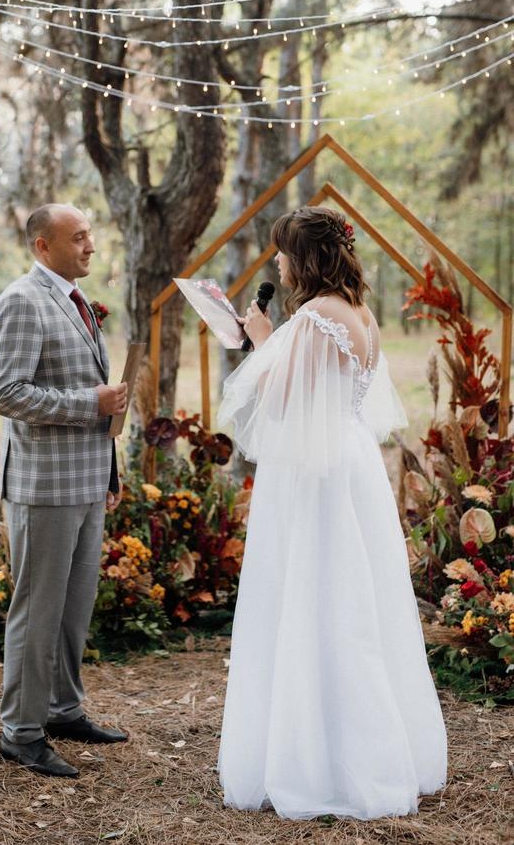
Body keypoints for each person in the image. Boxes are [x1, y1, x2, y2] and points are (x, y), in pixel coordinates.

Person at [217, 206, 447, 819]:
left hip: (312, 472)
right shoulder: (361, 314)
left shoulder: (317, 316)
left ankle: (323, 762)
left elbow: (281, 397)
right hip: (350, 460)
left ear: (304, 258)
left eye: (282, 253)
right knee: (354, 598)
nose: (277, 264)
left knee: (313, 597)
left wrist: (263, 340)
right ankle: (358, 745)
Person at [0, 203, 128, 778]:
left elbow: (86, 388)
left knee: (73, 609)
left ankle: (63, 710)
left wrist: (111, 474)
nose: (91, 246)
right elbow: (5, 393)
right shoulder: (22, 301)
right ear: (43, 246)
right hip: (44, 486)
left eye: (91, 234)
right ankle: (20, 732)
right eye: (79, 237)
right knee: (37, 610)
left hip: (88, 482)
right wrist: (86, 404)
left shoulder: (72, 300)